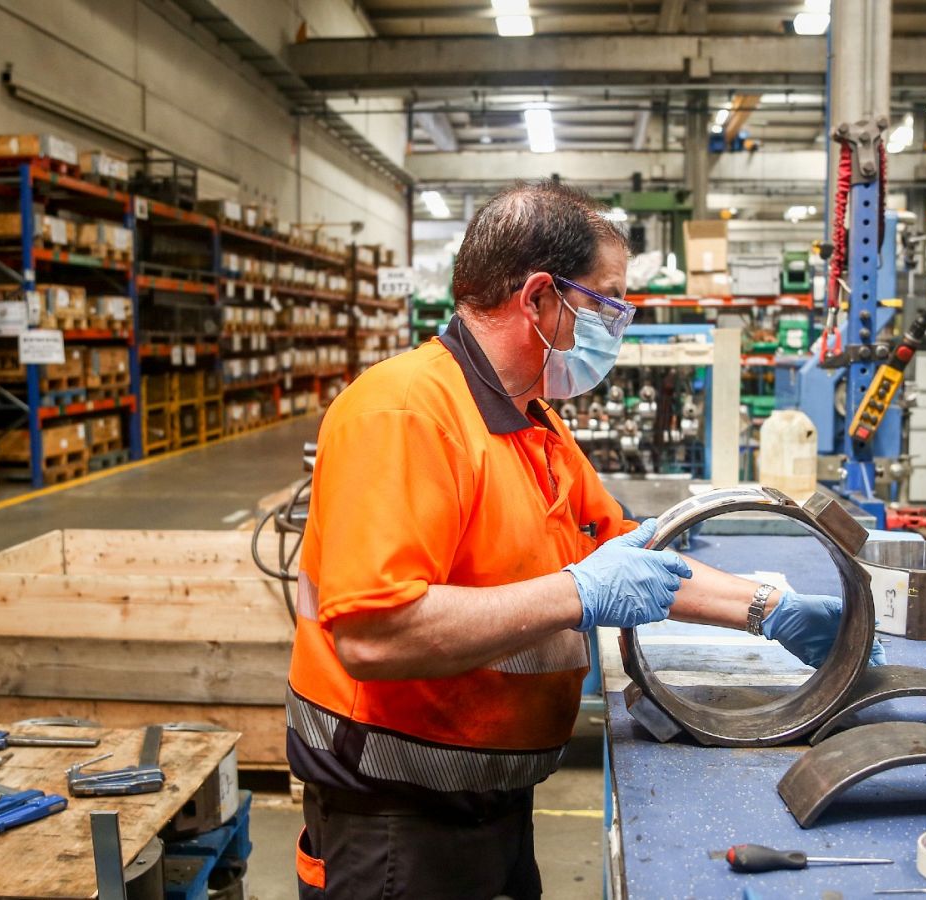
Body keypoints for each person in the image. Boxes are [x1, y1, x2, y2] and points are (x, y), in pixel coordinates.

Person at [286, 181, 881, 899]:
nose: (616, 325)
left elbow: (634, 555)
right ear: (539, 298)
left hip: (489, 799)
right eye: (605, 302)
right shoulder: (403, 414)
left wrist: (767, 609)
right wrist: (577, 593)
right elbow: (374, 638)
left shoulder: (530, 421)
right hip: (397, 825)